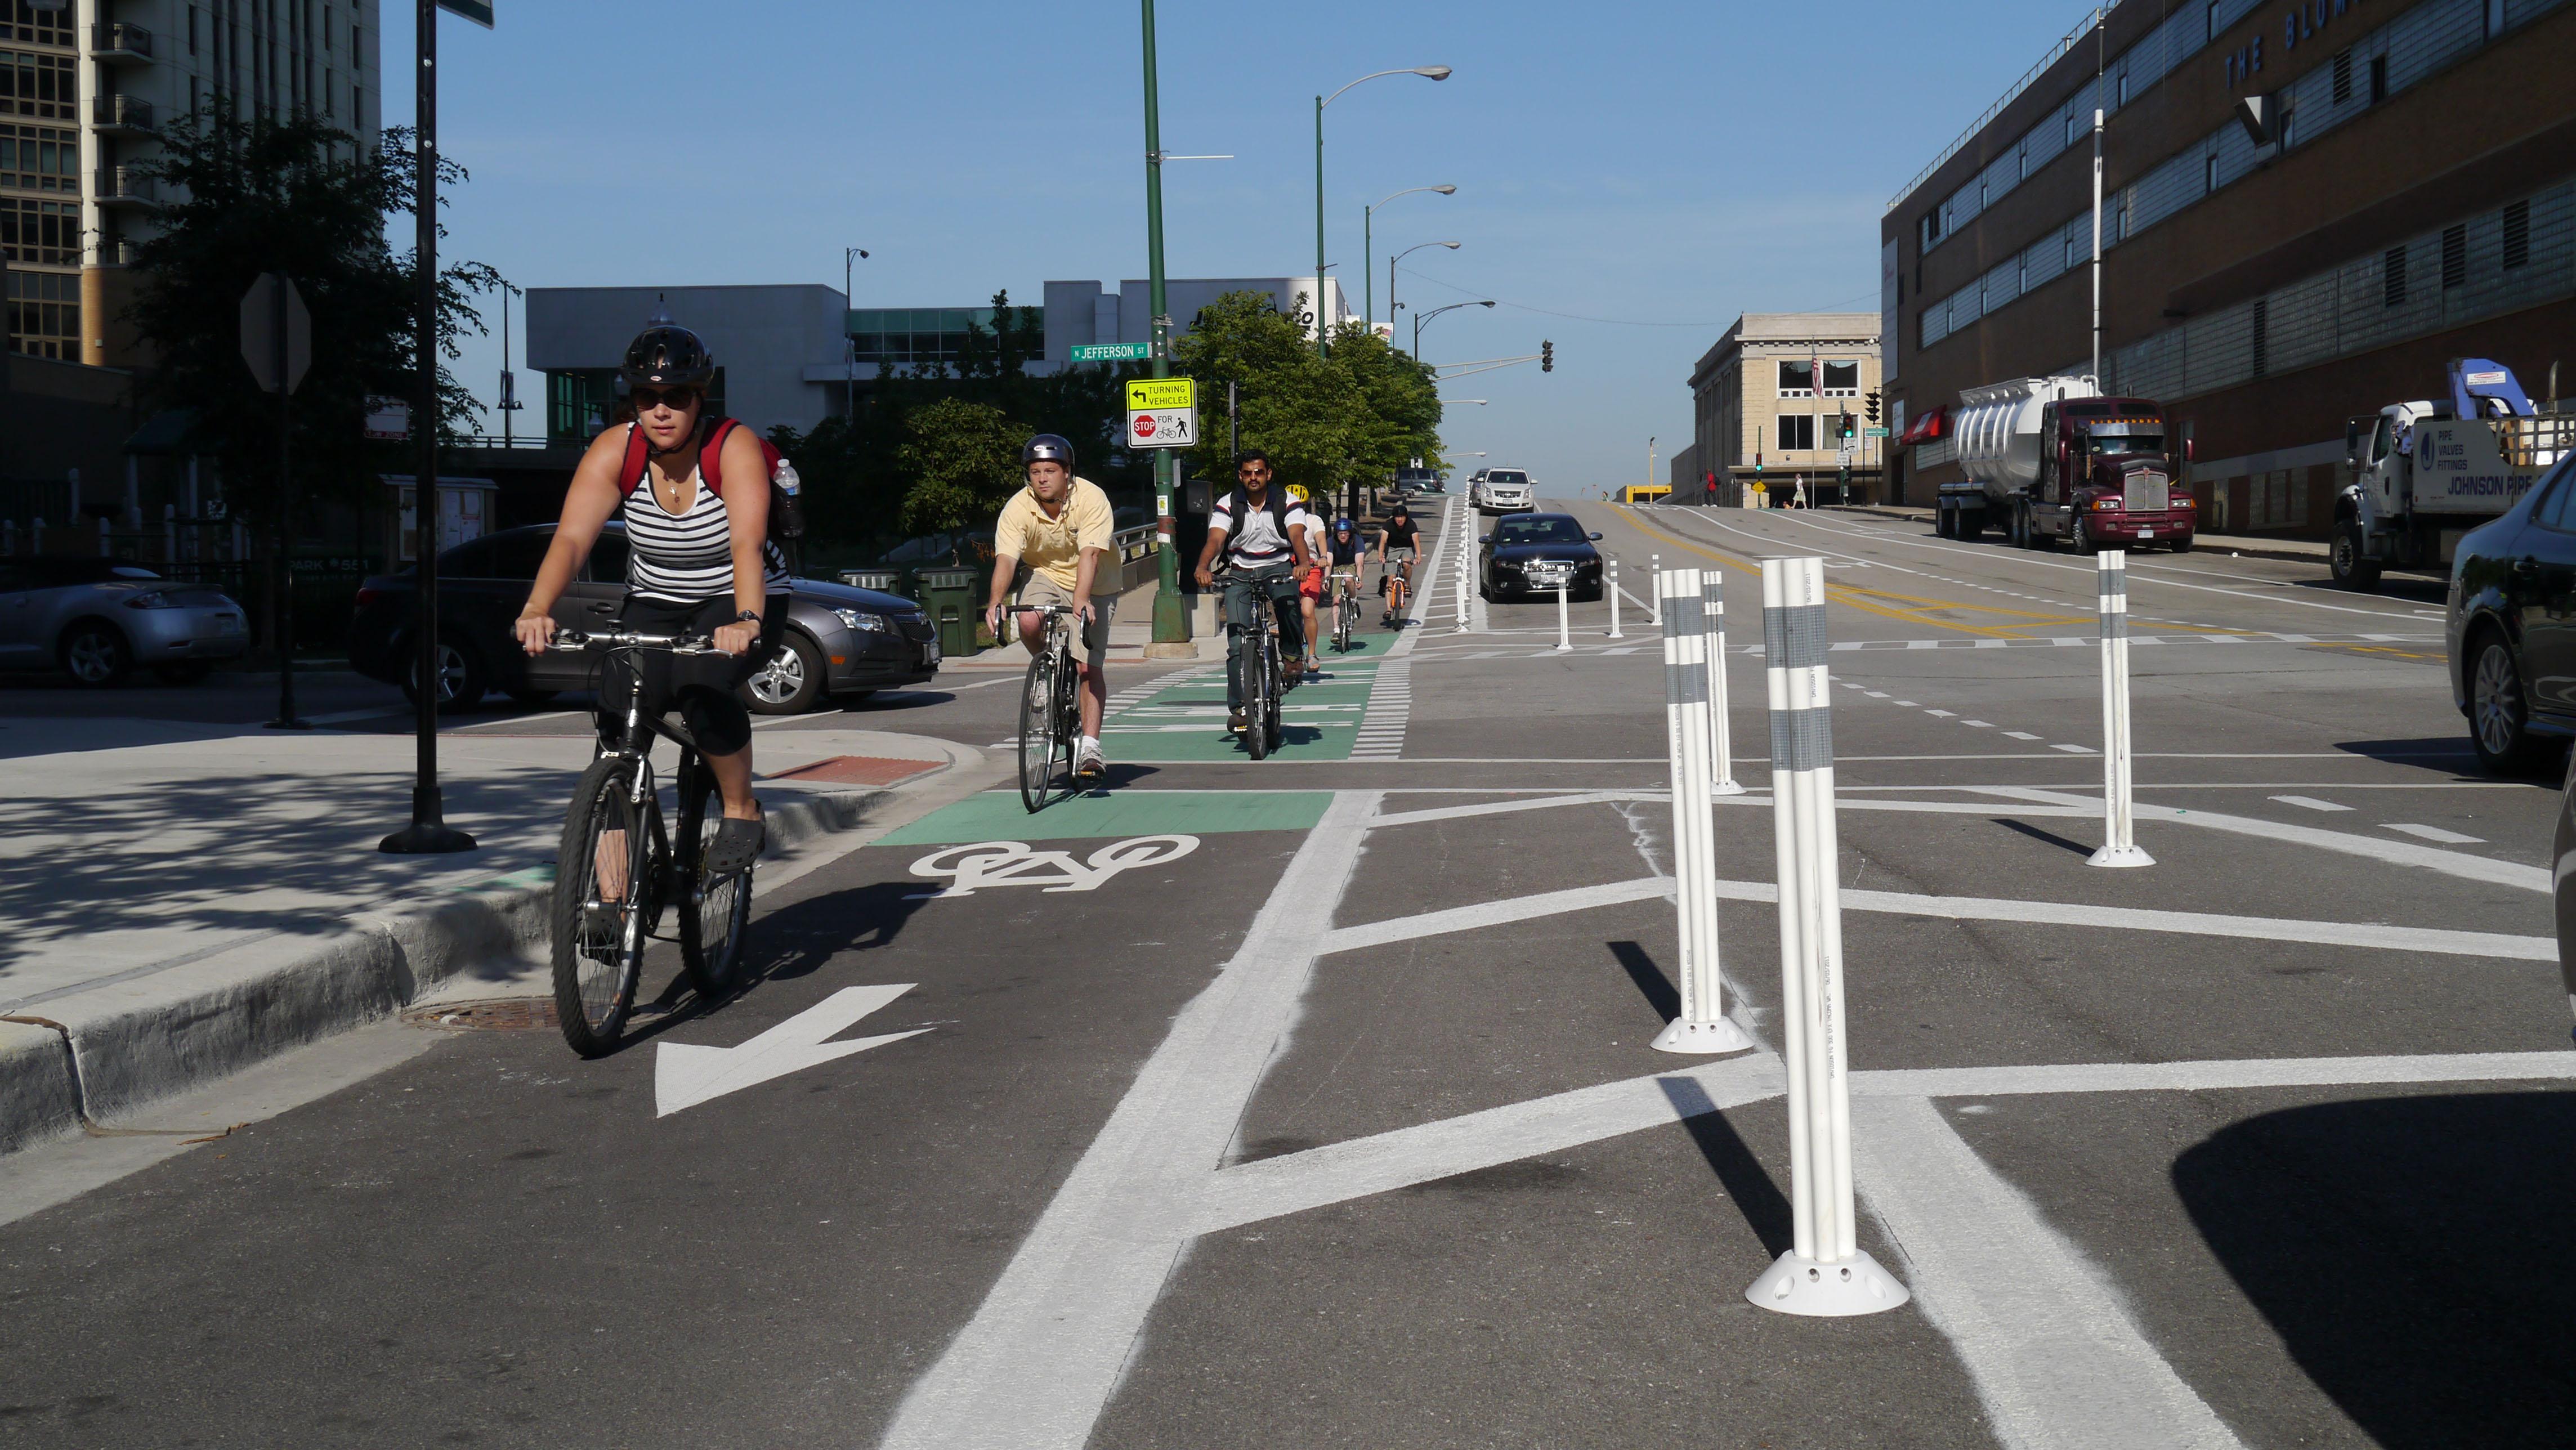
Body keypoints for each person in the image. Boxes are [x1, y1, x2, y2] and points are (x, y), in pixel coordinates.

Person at [514, 321, 788, 883]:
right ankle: (611, 898)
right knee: (620, 724)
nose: (661, 410)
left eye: (676, 397)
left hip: (736, 595)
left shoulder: (730, 446)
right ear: (633, 401)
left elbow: (747, 544)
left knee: (700, 682)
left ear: (699, 398)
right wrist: (536, 608)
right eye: (647, 397)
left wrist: (746, 619)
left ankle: (740, 809)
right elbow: (570, 540)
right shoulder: (617, 450)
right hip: (655, 598)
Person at [986, 434, 1116, 781]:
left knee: (1087, 664)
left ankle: (1090, 745)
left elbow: (1090, 554)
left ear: (1067, 472)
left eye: (1050, 470)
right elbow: (1006, 560)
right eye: (1035, 471)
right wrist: (996, 603)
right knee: (1027, 617)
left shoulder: (1092, 499)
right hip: (1046, 575)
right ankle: (1045, 673)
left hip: (1096, 583)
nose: (1042, 478)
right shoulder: (1018, 507)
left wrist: (1081, 601)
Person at [1193, 449, 1314, 734]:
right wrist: (1203, 566)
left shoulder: (1287, 502)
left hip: (1279, 567)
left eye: (1259, 472)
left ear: (1268, 474)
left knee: (1287, 603)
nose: (1254, 478)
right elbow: (1215, 540)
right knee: (1236, 643)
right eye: (1248, 473)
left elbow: (1297, 535)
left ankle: (1293, 657)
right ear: (1241, 476)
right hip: (1241, 572)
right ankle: (1240, 708)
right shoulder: (1229, 504)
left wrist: (1304, 563)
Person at [1320, 516, 1365, 651]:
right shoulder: (1331, 541)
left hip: (1351, 564)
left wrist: (1359, 579)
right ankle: (1337, 630)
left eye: (1346, 533)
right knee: (1336, 598)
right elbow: (1329, 563)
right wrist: (1326, 579)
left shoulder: (1357, 541)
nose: (1343, 536)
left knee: (1349, 578)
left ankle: (1353, 601)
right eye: (1340, 533)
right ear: (1336, 534)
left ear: (1350, 533)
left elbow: (1360, 563)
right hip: (1337, 566)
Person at [1376, 502, 1421, 626]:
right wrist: (1381, 556)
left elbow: (1416, 541)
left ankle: (1407, 585)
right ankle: (1389, 610)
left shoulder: (1411, 525)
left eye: (1402, 517)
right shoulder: (1389, 525)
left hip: (1407, 548)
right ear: (1394, 518)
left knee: (1407, 564)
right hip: (1392, 549)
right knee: (1390, 580)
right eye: (1397, 517)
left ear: (1406, 517)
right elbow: (1383, 541)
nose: (1400, 519)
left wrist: (1418, 557)